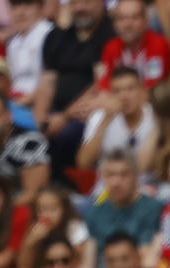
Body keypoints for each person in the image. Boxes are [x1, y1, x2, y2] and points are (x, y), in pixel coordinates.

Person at [34, 0, 113, 182]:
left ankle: (69, 189)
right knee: (30, 134)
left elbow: (99, 82)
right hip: (55, 112)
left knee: (68, 135)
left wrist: (65, 116)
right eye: (75, 3)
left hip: (88, 109)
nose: (80, 8)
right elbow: (47, 80)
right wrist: (41, 120)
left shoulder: (109, 35)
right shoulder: (56, 37)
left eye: (87, 2)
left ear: (102, 3)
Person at [84, 150, 164, 268]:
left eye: (124, 175)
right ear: (103, 178)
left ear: (136, 177)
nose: (116, 182)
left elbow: (145, 255)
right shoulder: (94, 213)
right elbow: (88, 264)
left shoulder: (153, 208)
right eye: (110, 175)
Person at [76, 67, 159, 180]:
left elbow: (157, 164)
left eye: (130, 89)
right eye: (117, 91)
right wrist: (106, 119)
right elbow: (83, 163)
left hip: (149, 187)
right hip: (107, 190)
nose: (124, 96)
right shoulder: (99, 117)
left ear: (142, 91)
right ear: (111, 94)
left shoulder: (155, 116)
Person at [97, 0, 170, 89]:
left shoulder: (158, 44)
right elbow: (103, 83)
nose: (127, 24)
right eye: (121, 18)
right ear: (114, 23)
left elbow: (153, 86)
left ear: (146, 20)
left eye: (134, 17)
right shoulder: (110, 47)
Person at [5, 0, 53, 104]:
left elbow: (52, 81)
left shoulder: (50, 34)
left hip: (42, 102)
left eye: (27, 5)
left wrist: (22, 102)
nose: (20, 12)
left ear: (40, 8)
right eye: (16, 6)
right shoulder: (13, 43)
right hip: (15, 100)